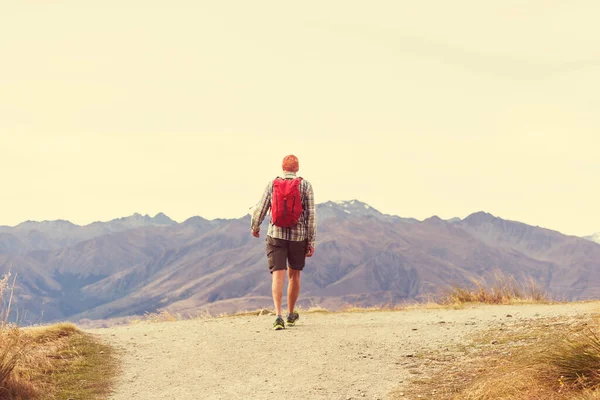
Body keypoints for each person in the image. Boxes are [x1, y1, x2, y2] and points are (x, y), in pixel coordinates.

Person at [251, 155, 316, 330]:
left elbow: (261, 208)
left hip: (276, 235)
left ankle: (278, 315)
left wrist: (255, 226)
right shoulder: (305, 185)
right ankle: (290, 315)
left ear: (282, 167)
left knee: (277, 276)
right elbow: (311, 216)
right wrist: (311, 241)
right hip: (298, 237)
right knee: (294, 276)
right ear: (297, 168)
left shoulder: (273, 184)